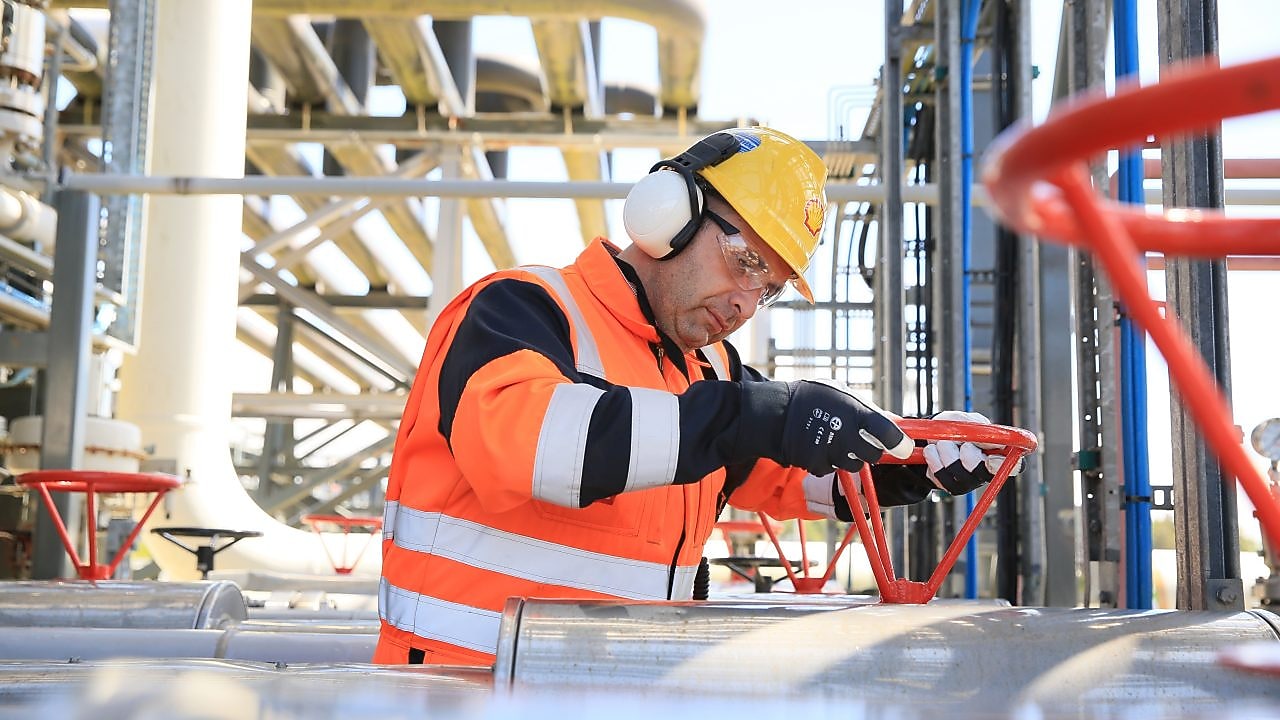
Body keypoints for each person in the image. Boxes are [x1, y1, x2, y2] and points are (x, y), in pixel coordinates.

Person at [374, 127, 1012, 666]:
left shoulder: (708, 374)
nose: (744, 305)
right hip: (456, 691)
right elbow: (531, 447)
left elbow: (791, 468)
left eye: (769, 290)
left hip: (615, 694)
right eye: (746, 262)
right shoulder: (524, 308)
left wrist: (917, 457)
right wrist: (748, 416)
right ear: (669, 214)